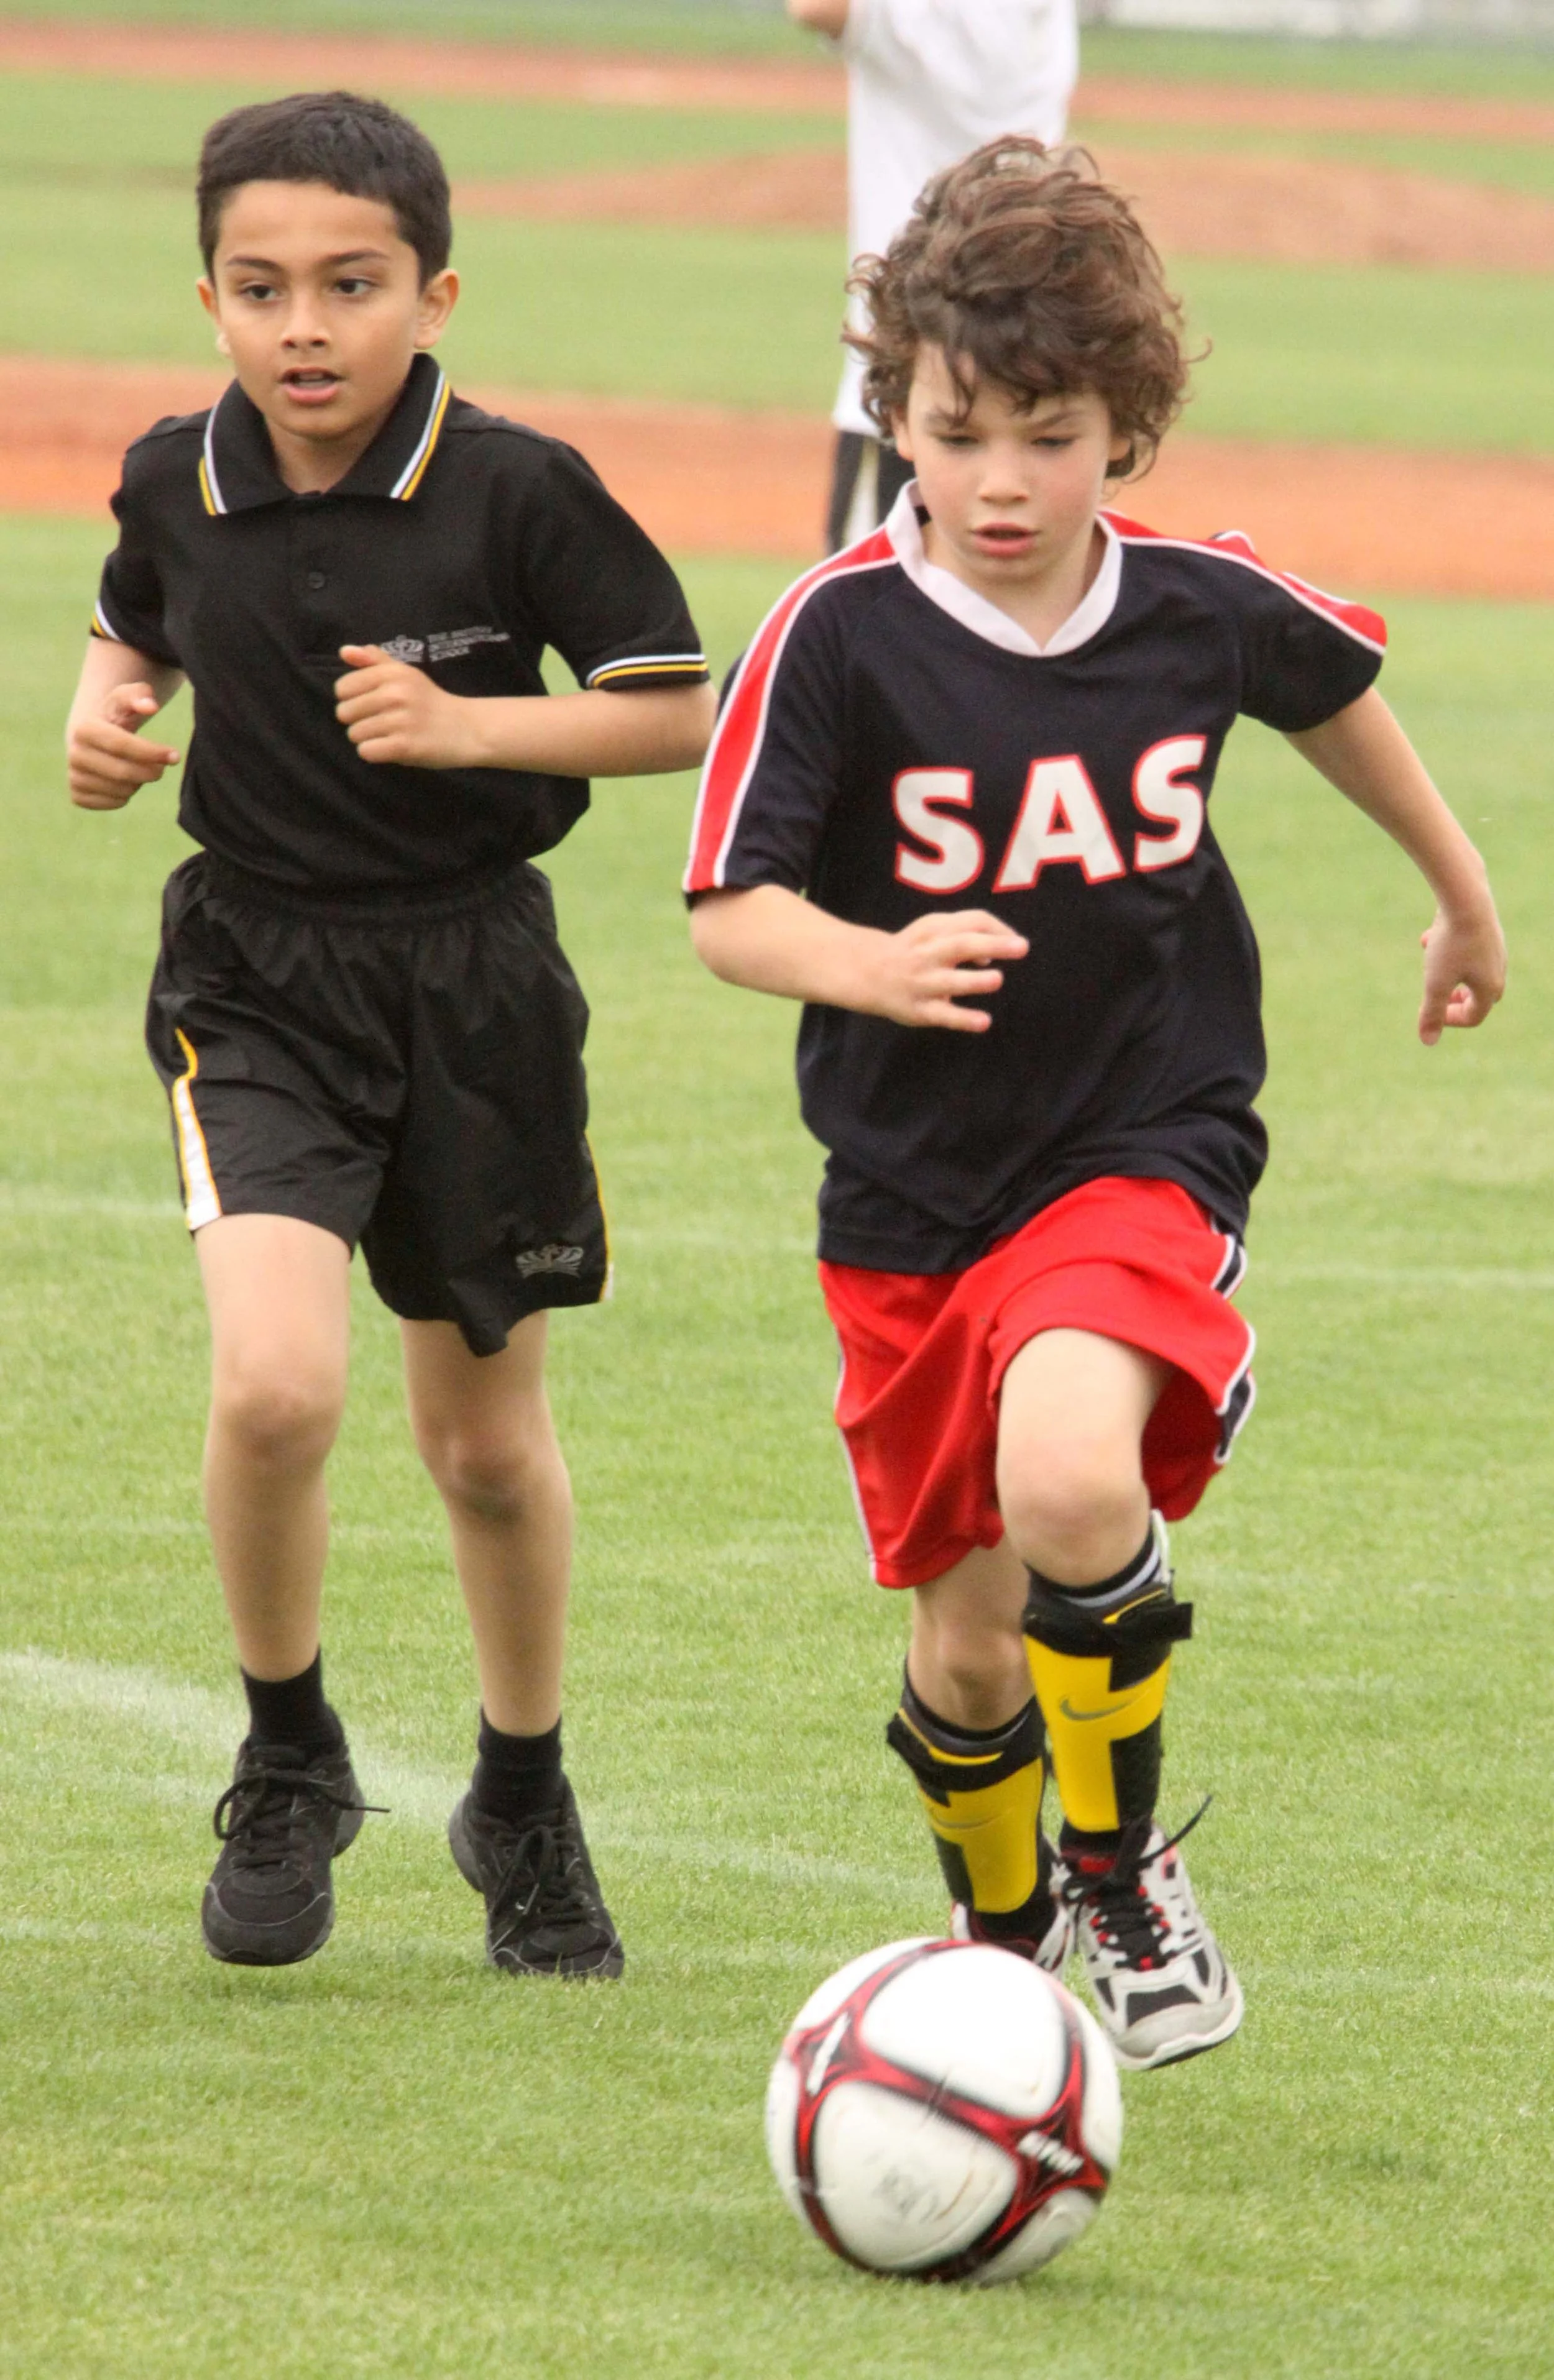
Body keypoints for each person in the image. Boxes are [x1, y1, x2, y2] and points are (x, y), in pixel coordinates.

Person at [684, 139, 1504, 2070]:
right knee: (966, 1646)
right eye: (952, 431)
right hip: (905, 1191)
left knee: (1071, 1473)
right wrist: (863, 961)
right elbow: (729, 907)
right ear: (887, 411)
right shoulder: (838, 630)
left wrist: (1459, 895)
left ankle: (1119, 1867)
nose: (993, 481)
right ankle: (994, 1946)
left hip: (1142, 1133)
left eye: (1043, 436)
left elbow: (1328, 693)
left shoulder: (1188, 604)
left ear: (1119, 428)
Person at [65, 91, 715, 1978]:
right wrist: (105, 715)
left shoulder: (519, 489)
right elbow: (136, 628)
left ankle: (521, 1786)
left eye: (349, 286)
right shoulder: (175, 476)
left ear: (433, 294)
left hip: (477, 988)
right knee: (277, 1385)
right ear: (207, 299)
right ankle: (289, 1755)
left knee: (484, 1445)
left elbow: (674, 706)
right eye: (260, 289)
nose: (304, 328)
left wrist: (471, 731)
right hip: (254, 979)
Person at [786, 0, 1077, 550]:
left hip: (906, 393)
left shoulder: (928, 15)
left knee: (863, 622)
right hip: (1018, 364)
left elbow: (815, 8)